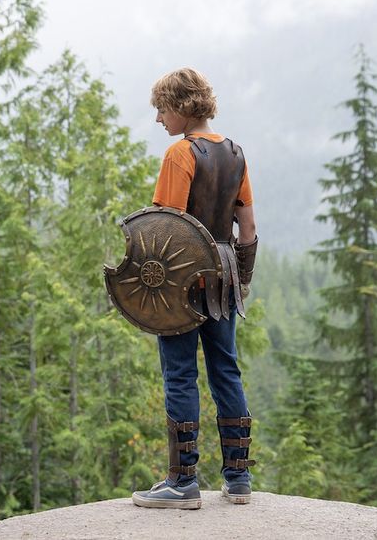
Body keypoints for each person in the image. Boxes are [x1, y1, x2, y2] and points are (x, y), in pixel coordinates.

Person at [132, 68, 258, 509]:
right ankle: (238, 477)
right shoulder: (236, 154)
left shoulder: (180, 155)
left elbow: (163, 229)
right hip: (222, 274)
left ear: (183, 106)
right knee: (226, 369)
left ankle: (183, 482)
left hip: (182, 278)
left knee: (180, 371)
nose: (159, 119)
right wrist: (240, 281)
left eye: (162, 109)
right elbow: (248, 228)